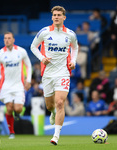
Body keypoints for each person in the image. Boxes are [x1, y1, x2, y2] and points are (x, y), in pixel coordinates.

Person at [30, 6, 78, 145]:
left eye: (59, 15)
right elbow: (33, 46)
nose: (56, 17)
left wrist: (73, 61)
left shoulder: (70, 34)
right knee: (50, 105)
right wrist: (42, 58)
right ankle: (52, 112)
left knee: (60, 103)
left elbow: (75, 47)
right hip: (48, 74)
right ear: (52, 17)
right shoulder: (44, 32)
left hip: (63, 73)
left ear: (64, 17)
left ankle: (55, 136)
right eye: (54, 15)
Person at [0, 32, 32, 139]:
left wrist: (28, 80)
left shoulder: (21, 51)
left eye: (9, 38)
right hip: (6, 86)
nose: (7, 40)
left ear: (13, 40)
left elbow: (29, 66)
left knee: (18, 108)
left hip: (19, 85)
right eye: (5, 38)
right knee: (9, 108)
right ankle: (11, 132)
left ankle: (17, 113)